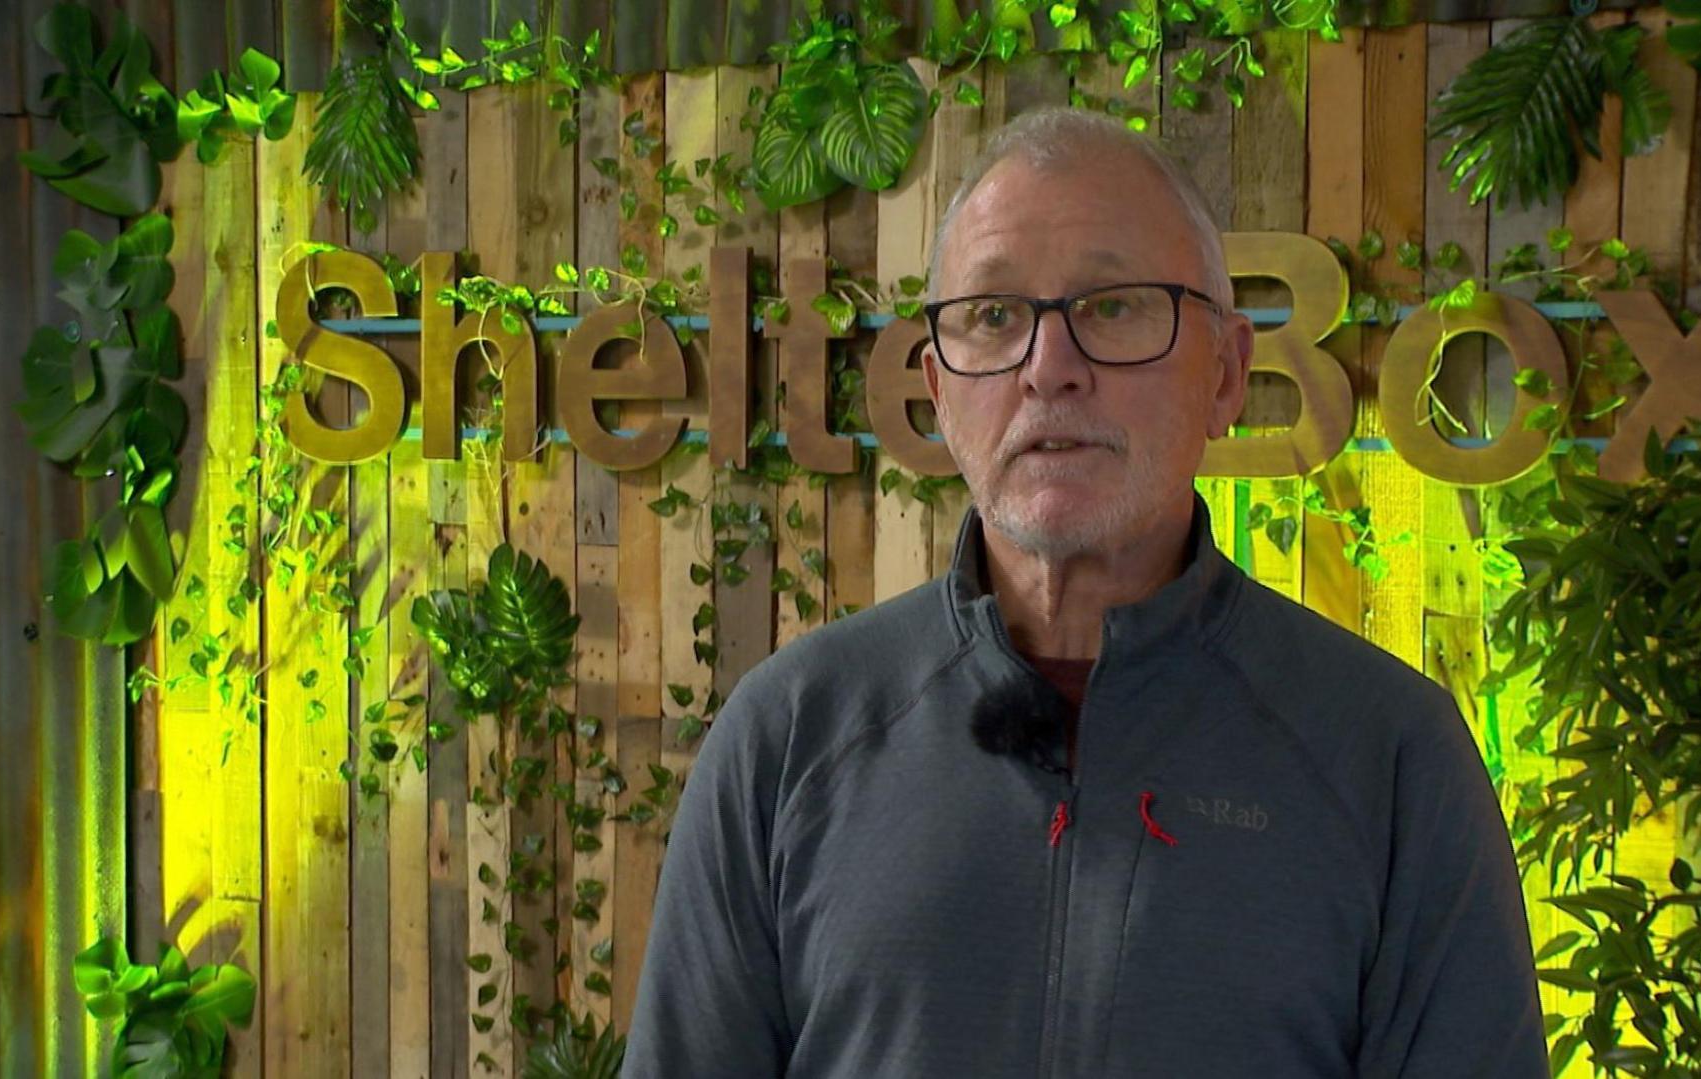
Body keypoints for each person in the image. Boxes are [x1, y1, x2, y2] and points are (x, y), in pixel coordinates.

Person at [621, 106, 1547, 1078]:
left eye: (1113, 307)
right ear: (936, 389)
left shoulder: (1389, 756)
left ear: (1227, 372)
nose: (1049, 369)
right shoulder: (791, 736)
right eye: (992, 316)